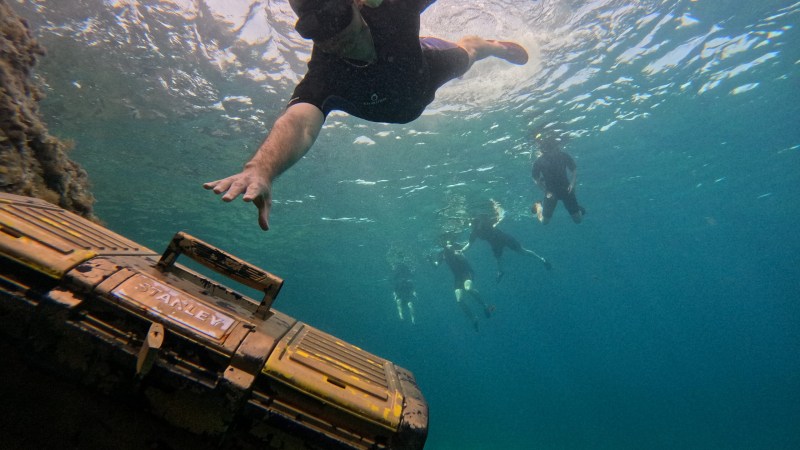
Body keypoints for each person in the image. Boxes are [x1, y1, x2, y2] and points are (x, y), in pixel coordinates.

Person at [204, 0, 530, 230]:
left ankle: (486, 46)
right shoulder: (325, 72)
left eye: (335, 17)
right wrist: (261, 168)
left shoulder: (392, 8)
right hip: (393, 103)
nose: (334, 37)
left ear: (358, 4)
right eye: (315, 28)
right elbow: (299, 123)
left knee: (467, 55)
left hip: (423, 75)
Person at [461, 201, 552, 282]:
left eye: (471, 223)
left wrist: (494, 204)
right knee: (499, 259)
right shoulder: (474, 233)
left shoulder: (484, 223)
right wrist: (462, 250)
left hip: (504, 238)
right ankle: (501, 272)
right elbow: (469, 244)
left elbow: (485, 216)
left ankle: (542, 259)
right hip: (496, 244)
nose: (469, 225)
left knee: (521, 251)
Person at [432, 241, 493, 332]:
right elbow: (436, 265)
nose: (448, 244)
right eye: (445, 243)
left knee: (468, 289)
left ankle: (485, 305)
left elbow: (464, 259)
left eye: (449, 243)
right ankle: (473, 318)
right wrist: (430, 260)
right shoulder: (442, 254)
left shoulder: (456, 248)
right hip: (457, 277)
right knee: (459, 300)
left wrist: (456, 252)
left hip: (467, 273)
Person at [531, 132, 585, 224]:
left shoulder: (563, 156)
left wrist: (573, 184)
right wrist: (546, 191)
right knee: (544, 222)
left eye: (554, 148)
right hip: (551, 192)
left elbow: (574, 169)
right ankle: (538, 205)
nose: (553, 151)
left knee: (578, 220)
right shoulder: (539, 161)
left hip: (566, 189)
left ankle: (577, 210)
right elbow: (535, 178)